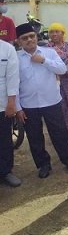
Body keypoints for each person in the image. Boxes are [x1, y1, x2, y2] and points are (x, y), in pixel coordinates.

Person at [15, 23, 68, 178]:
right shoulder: (16, 58)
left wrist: (43, 61)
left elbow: (62, 70)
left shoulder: (49, 52)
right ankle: (43, 164)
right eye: (25, 38)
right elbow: (13, 84)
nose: (29, 40)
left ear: (36, 37)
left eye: (32, 36)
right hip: (28, 105)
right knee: (34, 136)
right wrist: (17, 108)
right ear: (18, 41)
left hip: (51, 101)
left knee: (59, 132)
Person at [47, 22, 68, 145]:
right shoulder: (47, 49)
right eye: (52, 32)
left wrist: (65, 68)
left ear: (63, 33)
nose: (54, 34)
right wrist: (63, 67)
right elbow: (49, 66)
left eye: (57, 31)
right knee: (63, 112)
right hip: (57, 85)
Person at [0, 39, 21, 187]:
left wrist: (11, 102)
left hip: (3, 103)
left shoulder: (7, 49)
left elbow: (13, 78)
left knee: (4, 139)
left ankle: (6, 171)